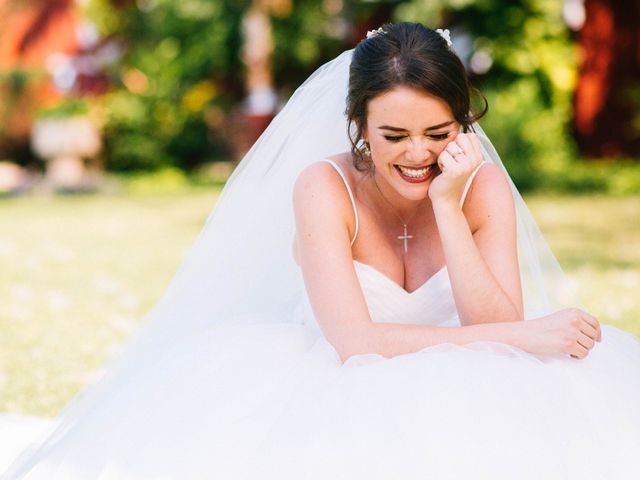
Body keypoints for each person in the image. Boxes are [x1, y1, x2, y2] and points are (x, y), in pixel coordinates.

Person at [2, 22, 640, 480]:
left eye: (437, 133)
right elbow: (358, 345)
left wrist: (448, 205)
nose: (418, 154)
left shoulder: (479, 187)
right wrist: (524, 336)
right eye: (394, 135)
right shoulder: (323, 188)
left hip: (467, 388)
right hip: (338, 382)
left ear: (464, 125)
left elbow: (489, 323)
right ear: (359, 125)